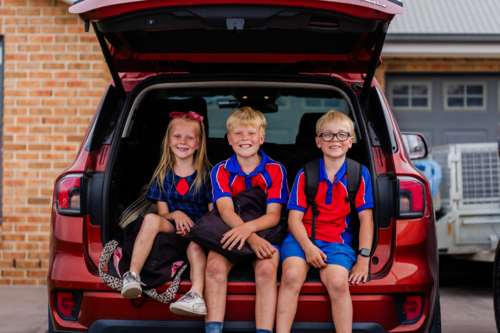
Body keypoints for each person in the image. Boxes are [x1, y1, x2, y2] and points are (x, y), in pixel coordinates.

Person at [276, 110, 374, 333]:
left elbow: (365, 219)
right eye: (328, 135)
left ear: (351, 141)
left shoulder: (359, 174)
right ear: (318, 142)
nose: (335, 140)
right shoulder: (306, 174)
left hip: (337, 243)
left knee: (339, 283)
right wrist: (308, 248)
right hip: (301, 240)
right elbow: (294, 219)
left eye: (341, 135)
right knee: (290, 277)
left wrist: (363, 259)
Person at [204, 107, 289, 333]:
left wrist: (251, 233)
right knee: (213, 267)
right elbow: (224, 211)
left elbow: (274, 215)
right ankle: (213, 330)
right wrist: (249, 238)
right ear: (229, 139)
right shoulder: (220, 170)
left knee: (267, 270)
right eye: (238, 134)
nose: (245, 139)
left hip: (265, 232)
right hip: (230, 229)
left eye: (251, 133)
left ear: (261, 138)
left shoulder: (275, 170)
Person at [121, 111, 213, 317]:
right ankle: (133, 275)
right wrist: (176, 214)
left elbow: (212, 215)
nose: (183, 141)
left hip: (199, 232)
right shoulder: (162, 175)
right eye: (177, 136)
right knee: (151, 219)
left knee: (196, 248)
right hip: (172, 227)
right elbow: (162, 215)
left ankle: (196, 294)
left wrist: (197, 230)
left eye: (190, 137)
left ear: (198, 144)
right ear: (169, 141)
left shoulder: (208, 174)